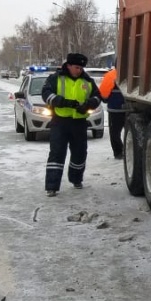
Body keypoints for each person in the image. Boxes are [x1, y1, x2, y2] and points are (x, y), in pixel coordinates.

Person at [41, 53, 102, 196]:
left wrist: (89, 104)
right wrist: (61, 101)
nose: (79, 70)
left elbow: (98, 96)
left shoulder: (88, 81)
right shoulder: (56, 78)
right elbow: (46, 93)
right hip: (60, 122)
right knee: (57, 153)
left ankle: (76, 179)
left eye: (81, 68)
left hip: (79, 122)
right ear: (68, 66)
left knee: (80, 154)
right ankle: (52, 186)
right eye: (76, 67)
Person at [98, 66, 125, 159]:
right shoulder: (134, 73)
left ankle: (119, 152)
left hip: (115, 110)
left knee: (115, 133)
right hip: (133, 110)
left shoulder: (111, 75)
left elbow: (103, 95)